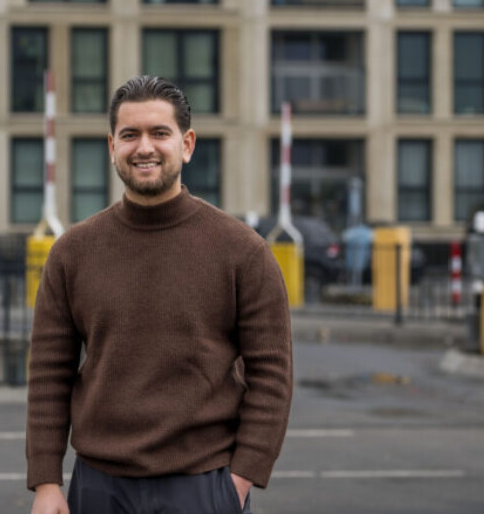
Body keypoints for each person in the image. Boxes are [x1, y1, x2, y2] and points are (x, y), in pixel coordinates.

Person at [26, 76, 293, 514]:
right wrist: (46, 481)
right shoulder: (72, 252)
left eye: (159, 133)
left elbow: (273, 374)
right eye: (130, 135)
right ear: (112, 146)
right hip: (98, 486)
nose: (144, 147)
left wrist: (241, 479)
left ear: (186, 144)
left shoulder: (242, 251)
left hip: (202, 486)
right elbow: (48, 374)